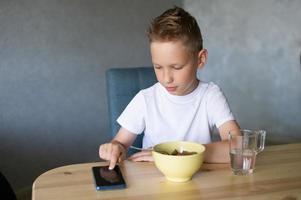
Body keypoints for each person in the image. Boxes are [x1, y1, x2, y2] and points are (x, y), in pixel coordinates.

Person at [99, 6, 240, 170]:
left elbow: (237, 146)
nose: (166, 79)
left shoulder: (210, 95)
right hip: (152, 183)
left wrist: (174, 156)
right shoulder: (146, 99)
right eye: (158, 67)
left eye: (177, 67)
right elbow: (120, 144)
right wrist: (115, 148)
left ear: (200, 59)